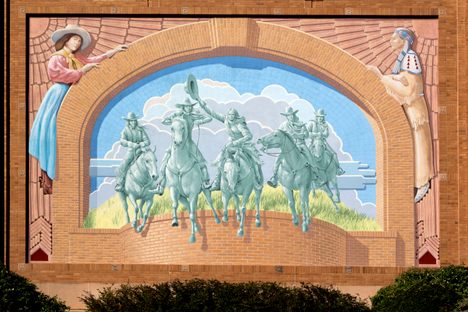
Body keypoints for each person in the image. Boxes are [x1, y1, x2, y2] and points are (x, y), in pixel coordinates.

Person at [28, 24, 127, 194]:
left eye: (79, 41)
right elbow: (57, 75)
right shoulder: (57, 57)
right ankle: (49, 177)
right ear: (66, 40)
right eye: (75, 39)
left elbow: (93, 61)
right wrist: (82, 71)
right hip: (59, 95)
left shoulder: (76, 58)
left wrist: (114, 51)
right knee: (53, 134)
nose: (77, 43)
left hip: (70, 94)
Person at [367, 27, 434, 202]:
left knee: (418, 145)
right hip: (409, 109)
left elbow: (409, 89)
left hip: (414, 110)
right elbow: (401, 79)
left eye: (394, 38)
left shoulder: (410, 57)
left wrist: (381, 77)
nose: (390, 41)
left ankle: (422, 182)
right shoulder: (405, 59)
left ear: (403, 41)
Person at [197, 100, 263, 191]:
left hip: (244, 145)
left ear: (235, 115)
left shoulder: (239, 124)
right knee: (221, 160)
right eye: (229, 114)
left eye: (232, 115)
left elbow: (249, 136)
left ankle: (256, 180)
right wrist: (202, 104)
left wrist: (237, 142)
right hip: (231, 146)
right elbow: (213, 113)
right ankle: (217, 182)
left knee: (255, 161)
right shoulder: (226, 120)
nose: (230, 116)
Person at [156, 97, 213, 193]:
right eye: (186, 107)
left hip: (189, 143)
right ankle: (160, 185)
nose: (188, 108)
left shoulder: (192, 116)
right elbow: (164, 121)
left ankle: (205, 182)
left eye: (190, 107)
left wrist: (199, 121)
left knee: (201, 161)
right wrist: (173, 115)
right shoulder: (177, 117)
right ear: (183, 107)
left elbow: (209, 118)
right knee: (165, 160)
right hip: (175, 144)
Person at [267, 107, 314, 188]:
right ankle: (274, 177)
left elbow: (306, 135)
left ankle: (315, 175)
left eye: (292, 115)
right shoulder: (283, 125)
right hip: (288, 148)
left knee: (310, 157)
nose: (291, 117)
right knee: (278, 160)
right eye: (289, 116)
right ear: (286, 117)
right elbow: (278, 135)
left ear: (294, 115)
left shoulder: (300, 123)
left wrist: (298, 135)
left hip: (300, 145)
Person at [114, 112, 151, 192]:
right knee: (123, 165)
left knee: (151, 160)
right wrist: (131, 144)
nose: (133, 122)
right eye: (131, 121)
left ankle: (155, 182)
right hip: (131, 151)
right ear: (128, 122)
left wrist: (142, 143)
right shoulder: (125, 130)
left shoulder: (140, 130)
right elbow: (122, 141)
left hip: (142, 150)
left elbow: (147, 141)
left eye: (134, 120)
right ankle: (120, 183)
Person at [308, 109, 344, 176]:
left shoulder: (325, 125)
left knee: (334, 154)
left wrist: (322, 134)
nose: (321, 118)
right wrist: (317, 134)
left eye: (322, 116)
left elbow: (326, 134)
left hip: (323, 142)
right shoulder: (312, 123)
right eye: (319, 116)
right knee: (305, 154)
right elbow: (307, 133)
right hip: (312, 142)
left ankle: (338, 169)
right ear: (317, 116)